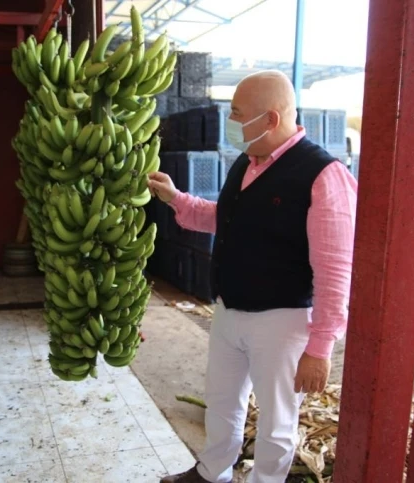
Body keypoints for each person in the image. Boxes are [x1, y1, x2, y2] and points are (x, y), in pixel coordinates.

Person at [150, 70, 357, 483]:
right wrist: (177, 199)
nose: (231, 120)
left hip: (282, 321)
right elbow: (225, 220)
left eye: (238, 113)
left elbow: (335, 268)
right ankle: (212, 472)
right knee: (223, 402)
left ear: (270, 120)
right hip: (229, 309)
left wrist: (320, 345)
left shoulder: (322, 175)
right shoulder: (248, 162)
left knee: (277, 420)